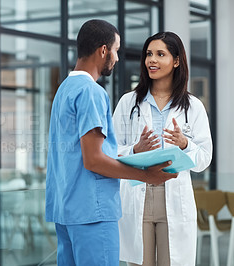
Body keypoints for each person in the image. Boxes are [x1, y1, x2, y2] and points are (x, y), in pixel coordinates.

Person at [45, 20, 178, 266]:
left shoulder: (64, 90)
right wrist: (146, 175)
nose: (117, 58)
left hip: (65, 211)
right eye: (116, 50)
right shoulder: (91, 92)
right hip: (92, 213)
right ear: (103, 50)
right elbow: (93, 159)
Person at [112, 32, 213, 266]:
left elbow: (204, 159)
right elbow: (111, 150)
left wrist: (185, 144)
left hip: (174, 196)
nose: (152, 60)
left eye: (160, 54)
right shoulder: (128, 103)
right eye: (149, 54)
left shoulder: (193, 107)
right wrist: (135, 150)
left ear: (176, 61)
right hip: (138, 193)